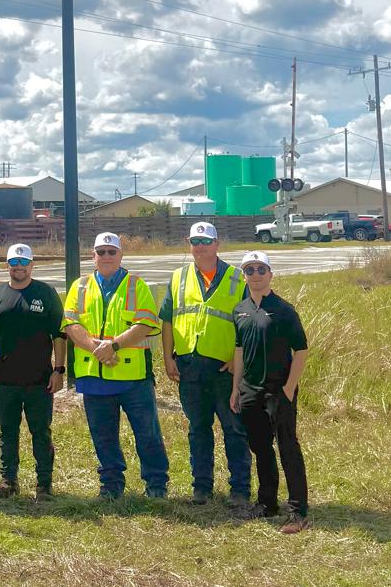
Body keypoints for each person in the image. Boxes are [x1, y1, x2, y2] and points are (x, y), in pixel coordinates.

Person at [62, 231, 169, 500]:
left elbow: (145, 324)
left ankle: (156, 485)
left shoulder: (136, 285)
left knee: (148, 435)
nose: (106, 256)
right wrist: (97, 349)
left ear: (121, 255)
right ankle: (111, 485)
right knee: (103, 436)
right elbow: (71, 324)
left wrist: (114, 346)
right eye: (101, 252)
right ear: (93, 255)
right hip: (94, 376)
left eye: (112, 252)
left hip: (133, 377)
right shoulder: (80, 286)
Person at [160, 220, 251, 507]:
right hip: (189, 366)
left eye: (206, 241)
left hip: (224, 369)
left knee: (234, 428)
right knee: (198, 428)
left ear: (217, 244)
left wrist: (240, 361)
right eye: (195, 242)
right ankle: (202, 487)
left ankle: (240, 490)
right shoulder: (179, 277)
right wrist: (167, 358)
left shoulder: (238, 279)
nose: (200, 247)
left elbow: (250, 325)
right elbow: (168, 320)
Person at [0, 241, 67, 500]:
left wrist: (59, 370)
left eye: (24, 262)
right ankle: (8, 481)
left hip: (40, 381)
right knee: (8, 432)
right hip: (4, 380)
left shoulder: (46, 293)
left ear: (32, 265)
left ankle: (44, 485)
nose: (19, 267)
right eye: (14, 262)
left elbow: (59, 334)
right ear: (7, 265)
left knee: (40, 431)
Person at [229, 250, 309, 534]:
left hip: (279, 391)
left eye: (261, 269)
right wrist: (236, 388)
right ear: (244, 276)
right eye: (250, 270)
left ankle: (298, 511)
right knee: (261, 448)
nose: (256, 275)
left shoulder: (284, 310)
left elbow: (301, 350)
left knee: (288, 447)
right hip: (249, 390)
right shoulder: (239, 310)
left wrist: (289, 388)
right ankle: (267, 503)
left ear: (270, 274)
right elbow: (239, 350)